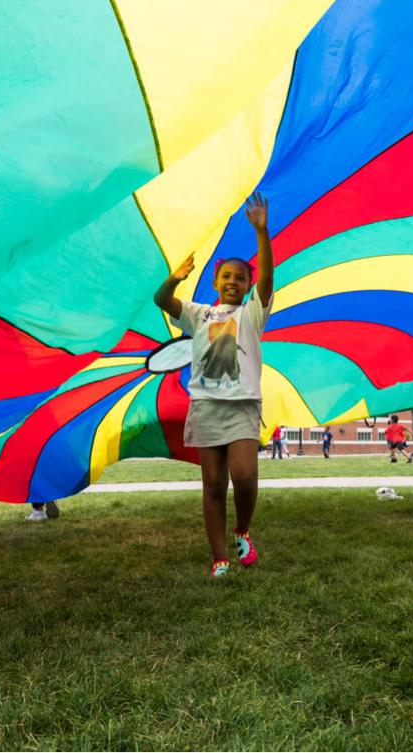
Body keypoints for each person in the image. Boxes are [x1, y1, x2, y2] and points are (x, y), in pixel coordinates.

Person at [154, 193, 273, 579]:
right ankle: (219, 556)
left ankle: (242, 530)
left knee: (244, 476)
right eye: (227, 277)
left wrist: (261, 232)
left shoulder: (253, 314)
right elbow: (161, 299)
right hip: (206, 404)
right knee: (212, 482)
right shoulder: (199, 314)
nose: (233, 283)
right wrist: (175, 277)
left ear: (248, 285)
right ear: (215, 282)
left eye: (241, 278)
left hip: (241, 405)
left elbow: (268, 279)